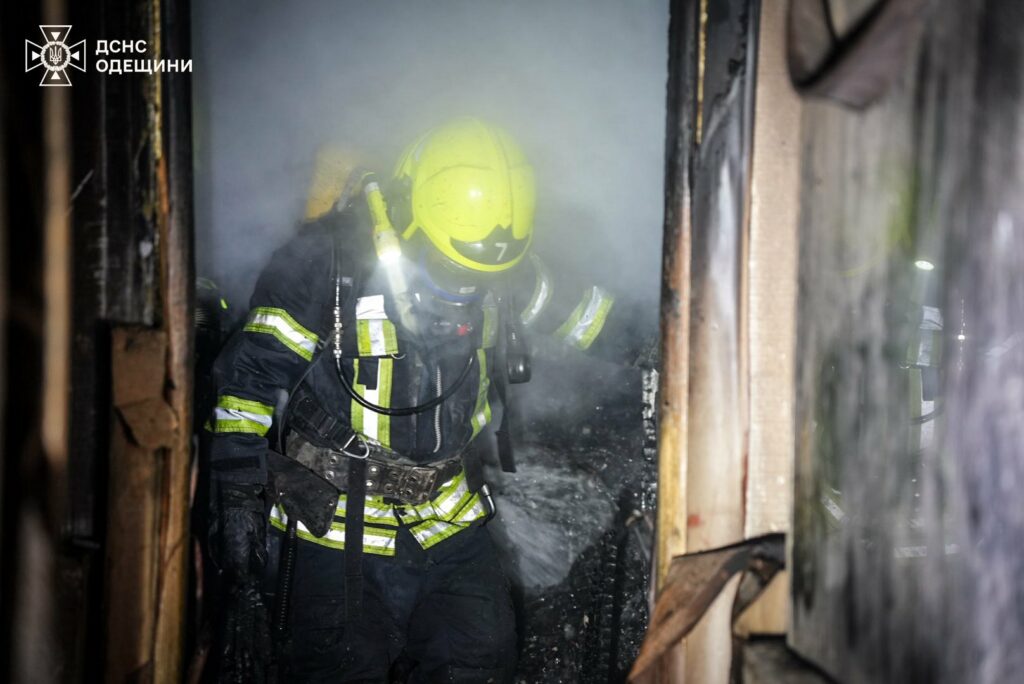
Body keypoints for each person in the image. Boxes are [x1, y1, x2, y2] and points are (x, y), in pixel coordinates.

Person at [208, 117, 618, 683]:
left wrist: (671, 338)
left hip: (447, 519)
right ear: (413, 222)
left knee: (481, 660)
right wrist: (236, 496)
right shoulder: (326, 263)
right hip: (333, 528)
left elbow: (592, 318)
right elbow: (247, 380)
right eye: (455, 268)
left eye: (483, 273)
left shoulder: (497, 260)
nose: (468, 287)